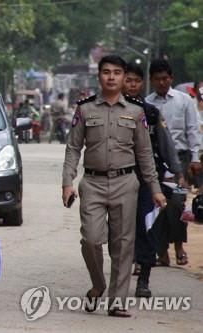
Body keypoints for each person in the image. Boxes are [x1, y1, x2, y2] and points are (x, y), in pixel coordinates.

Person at [62, 55, 166, 317]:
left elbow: (145, 154)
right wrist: (67, 182)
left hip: (125, 182)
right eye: (106, 72)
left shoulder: (135, 111)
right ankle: (98, 285)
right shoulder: (85, 109)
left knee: (123, 243)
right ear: (99, 76)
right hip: (93, 183)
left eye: (117, 73)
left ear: (123, 77)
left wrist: (155, 188)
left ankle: (117, 301)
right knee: (91, 239)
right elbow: (73, 148)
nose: (111, 77)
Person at [123, 62, 183, 298]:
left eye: (136, 81)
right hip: (116, 180)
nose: (132, 85)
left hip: (147, 179)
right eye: (128, 80)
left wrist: (178, 170)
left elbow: (165, 144)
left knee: (145, 227)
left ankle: (143, 277)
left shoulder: (150, 112)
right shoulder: (107, 110)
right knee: (118, 230)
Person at [146, 59, 202, 266]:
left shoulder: (184, 100)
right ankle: (162, 252)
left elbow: (192, 130)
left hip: (181, 158)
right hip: (156, 160)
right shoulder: (147, 103)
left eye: (165, 78)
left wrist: (195, 158)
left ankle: (177, 246)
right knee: (158, 205)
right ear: (151, 80)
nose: (161, 83)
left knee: (177, 205)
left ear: (171, 78)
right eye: (157, 79)